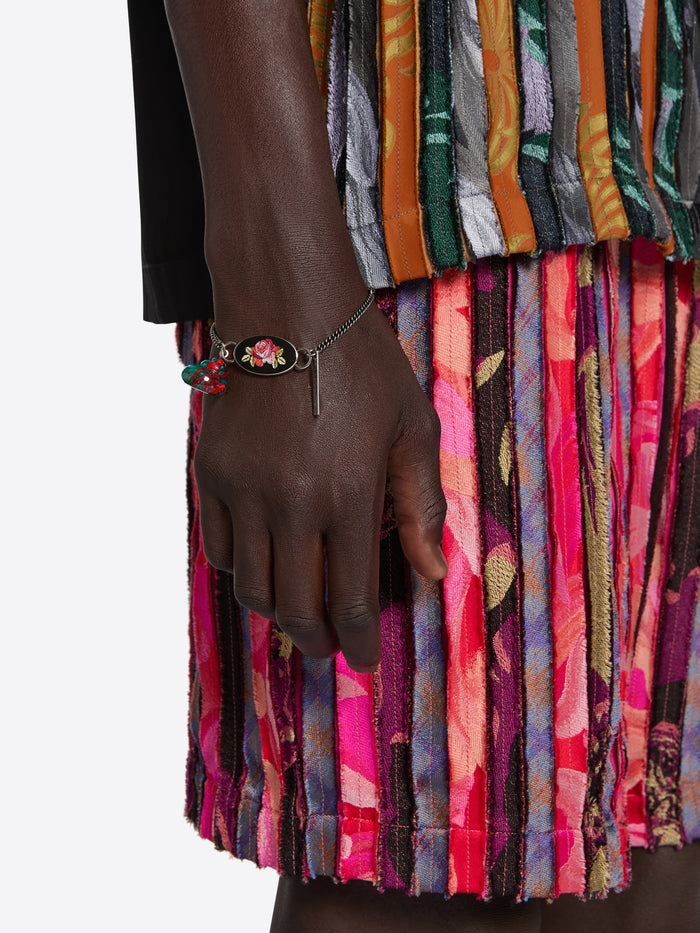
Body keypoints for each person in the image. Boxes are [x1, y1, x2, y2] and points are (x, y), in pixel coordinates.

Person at [127, 1, 700, 929]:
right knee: (433, 874)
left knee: (659, 853)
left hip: (666, 170)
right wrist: (285, 306)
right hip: (419, 197)